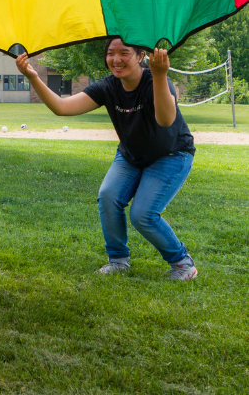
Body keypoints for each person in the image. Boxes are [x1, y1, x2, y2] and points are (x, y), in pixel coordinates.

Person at [16, 38, 197, 281]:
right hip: (131, 155)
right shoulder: (107, 87)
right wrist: (33, 77)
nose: (116, 59)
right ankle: (118, 261)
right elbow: (62, 107)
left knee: (143, 215)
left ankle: (183, 263)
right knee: (109, 196)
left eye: (124, 53)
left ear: (140, 55)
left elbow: (166, 120)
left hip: (171, 154)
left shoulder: (156, 80)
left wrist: (160, 75)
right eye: (111, 53)